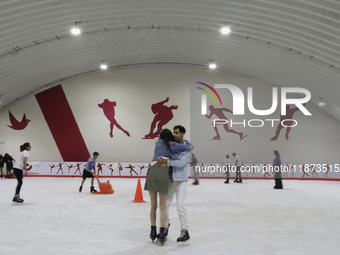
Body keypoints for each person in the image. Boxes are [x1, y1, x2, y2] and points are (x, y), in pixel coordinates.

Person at [144, 128, 191, 244]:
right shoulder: (172, 146)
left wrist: (166, 161)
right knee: (165, 205)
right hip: (169, 179)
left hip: (181, 180)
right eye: (173, 133)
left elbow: (181, 163)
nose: (175, 135)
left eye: (177, 133)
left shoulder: (181, 147)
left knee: (180, 206)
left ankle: (185, 231)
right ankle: (164, 228)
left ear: (182, 134)